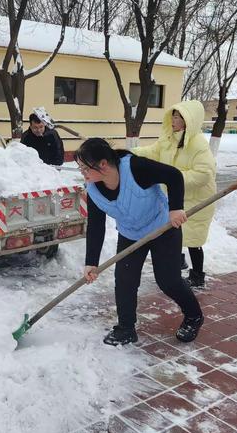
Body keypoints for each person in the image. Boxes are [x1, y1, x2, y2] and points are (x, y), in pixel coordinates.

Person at [75, 138, 203, 346]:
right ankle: (126, 328)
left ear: (103, 164)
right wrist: (92, 262)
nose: (83, 173)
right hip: (131, 233)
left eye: (84, 168)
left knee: (168, 281)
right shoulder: (94, 190)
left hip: (163, 228)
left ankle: (194, 316)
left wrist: (176, 208)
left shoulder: (135, 168)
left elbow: (174, 176)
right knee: (124, 281)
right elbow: (96, 227)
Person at [133, 100, 216, 289]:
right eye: (173, 115)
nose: (174, 120)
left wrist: (174, 177)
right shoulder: (168, 139)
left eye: (178, 117)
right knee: (172, 233)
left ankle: (197, 276)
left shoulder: (198, 145)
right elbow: (151, 152)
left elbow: (204, 174)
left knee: (193, 240)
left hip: (196, 200)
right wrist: (130, 153)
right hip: (175, 199)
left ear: (189, 121)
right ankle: (177, 263)